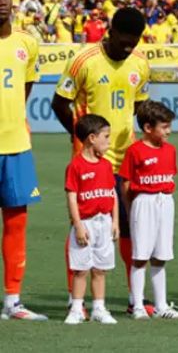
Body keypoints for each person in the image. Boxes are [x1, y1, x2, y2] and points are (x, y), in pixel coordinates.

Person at [53, 6, 150, 313]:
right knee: (81, 229)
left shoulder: (140, 63)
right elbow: (59, 104)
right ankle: (76, 300)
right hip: (89, 165)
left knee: (129, 228)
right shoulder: (84, 60)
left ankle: (136, 299)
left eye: (133, 41)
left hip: (125, 160)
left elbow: (140, 105)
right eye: (124, 39)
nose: (128, 46)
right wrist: (82, 139)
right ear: (111, 31)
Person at [0, 0, 46, 320]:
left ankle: (12, 301)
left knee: (17, 224)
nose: (2, 2)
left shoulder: (27, 44)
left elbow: (25, 88)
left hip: (16, 145)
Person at [120, 101, 178, 320]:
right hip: (144, 202)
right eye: (164, 127)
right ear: (148, 128)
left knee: (161, 256)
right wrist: (131, 210)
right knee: (140, 257)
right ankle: (137, 304)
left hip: (165, 202)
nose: (169, 131)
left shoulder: (171, 150)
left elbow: (170, 177)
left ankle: (161, 305)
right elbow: (126, 184)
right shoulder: (135, 151)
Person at [63, 114, 119, 325]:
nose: (109, 142)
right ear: (92, 138)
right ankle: (77, 308)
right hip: (85, 223)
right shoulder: (76, 166)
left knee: (100, 268)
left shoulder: (106, 165)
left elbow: (112, 193)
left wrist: (114, 221)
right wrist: (77, 225)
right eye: (106, 137)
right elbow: (72, 197)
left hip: (103, 222)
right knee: (81, 269)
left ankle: (99, 308)